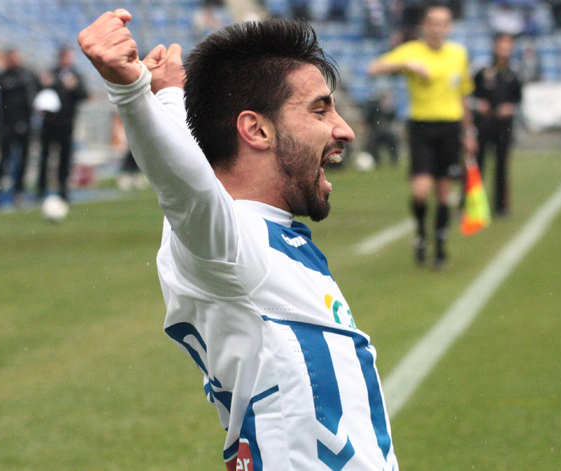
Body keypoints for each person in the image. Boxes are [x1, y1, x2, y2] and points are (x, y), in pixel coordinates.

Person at [78, 10, 398, 471]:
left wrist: (170, 95)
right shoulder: (230, 245)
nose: (344, 129)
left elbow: (190, 175)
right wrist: (129, 92)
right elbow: (182, 183)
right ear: (257, 130)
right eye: (320, 109)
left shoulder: (248, 235)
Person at [368, 4, 476, 269]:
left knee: (443, 193)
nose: (438, 28)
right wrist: (406, 64)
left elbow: (463, 95)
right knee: (420, 191)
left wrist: (469, 131)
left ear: (449, 27)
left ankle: (440, 249)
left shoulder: (458, 54)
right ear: (425, 26)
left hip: (450, 128)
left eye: (443, 23)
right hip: (421, 127)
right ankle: (420, 234)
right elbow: (373, 68)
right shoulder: (412, 50)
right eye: (433, 23)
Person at [472, 33, 523, 217]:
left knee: (502, 166)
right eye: (501, 46)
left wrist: (511, 108)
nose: (504, 50)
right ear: (494, 47)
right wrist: (478, 105)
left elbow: (520, 99)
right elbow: (468, 93)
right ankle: (471, 205)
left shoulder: (514, 71)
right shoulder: (481, 68)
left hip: (504, 126)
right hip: (483, 123)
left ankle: (501, 207)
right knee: (477, 165)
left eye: (508, 47)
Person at [36, 47, 89, 202]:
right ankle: (41, 190)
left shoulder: (76, 75)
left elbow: (84, 95)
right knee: (45, 156)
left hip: (67, 123)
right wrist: (46, 84)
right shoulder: (51, 74)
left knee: (65, 158)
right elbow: (40, 94)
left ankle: (63, 190)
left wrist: (73, 87)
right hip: (49, 123)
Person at [0, 49, 40, 205]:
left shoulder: (28, 76)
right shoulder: (1, 78)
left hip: (25, 122)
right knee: (4, 159)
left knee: (23, 159)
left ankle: (19, 191)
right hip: (6, 124)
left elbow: (38, 91)